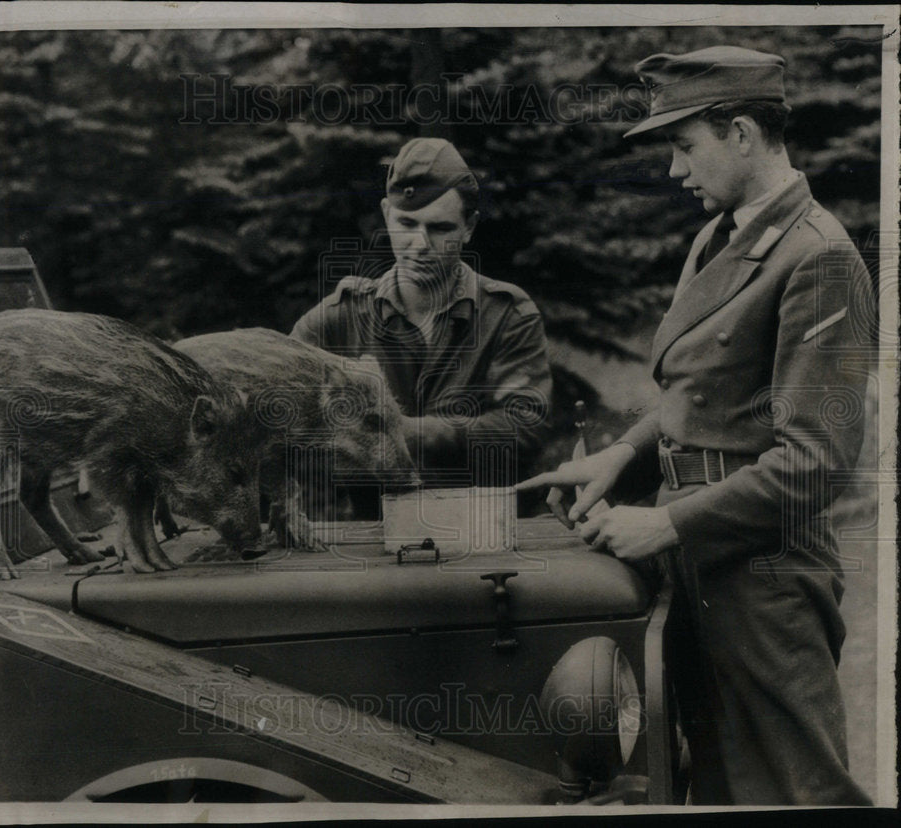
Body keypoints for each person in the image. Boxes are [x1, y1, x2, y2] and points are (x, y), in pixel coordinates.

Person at [517, 46, 873, 805]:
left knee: (796, 794)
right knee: (706, 787)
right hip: (700, 573)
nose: (677, 171)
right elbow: (695, 397)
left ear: (742, 132)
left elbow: (814, 462)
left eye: (685, 146)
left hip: (767, 584)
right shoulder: (719, 238)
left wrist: (667, 524)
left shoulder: (819, 258)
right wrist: (619, 457)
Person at [292, 137, 553, 495]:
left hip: (481, 525)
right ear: (386, 214)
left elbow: (526, 428)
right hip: (373, 532)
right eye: (407, 223)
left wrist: (409, 432)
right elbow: (284, 421)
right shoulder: (338, 319)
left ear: (469, 227)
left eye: (440, 228)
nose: (420, 243)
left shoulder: (507, 313)